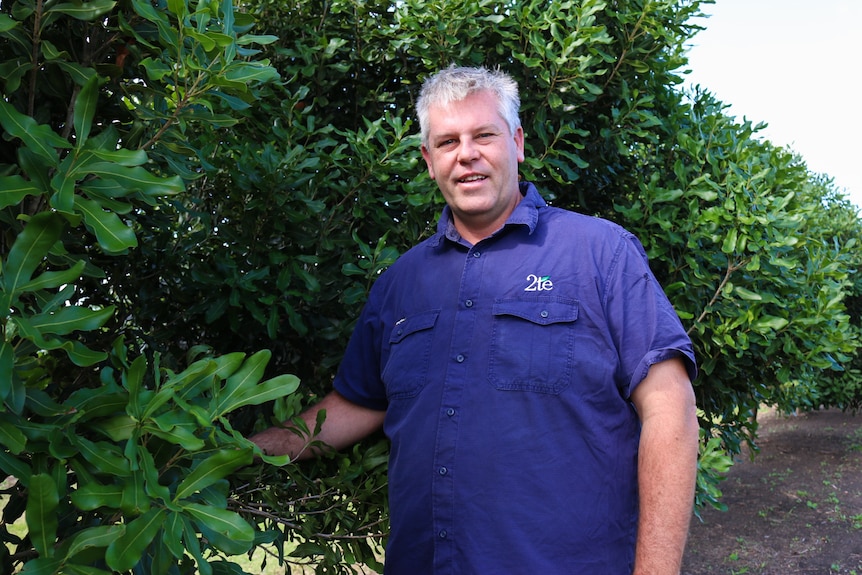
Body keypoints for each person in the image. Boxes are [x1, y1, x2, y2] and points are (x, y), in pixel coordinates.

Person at [251, 65, 699, 575]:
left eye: (483, 135)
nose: (466, 153)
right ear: (428, 159)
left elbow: (671, 408)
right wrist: (239, 453)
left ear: (517, 142)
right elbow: (354, 406)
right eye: (447, 142)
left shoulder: (599, 254)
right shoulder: (400, 283)